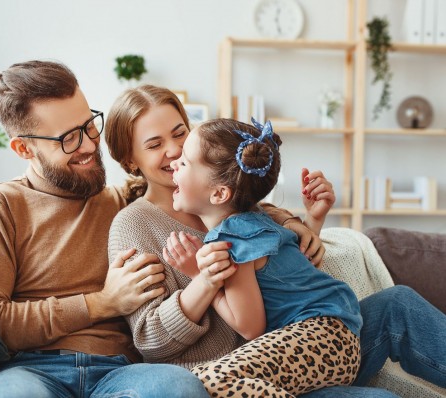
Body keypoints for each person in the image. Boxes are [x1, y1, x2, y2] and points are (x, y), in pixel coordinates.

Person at [105, 84, 446, 397]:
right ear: (130, 160)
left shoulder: (238, 206)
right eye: (155, 144)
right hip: (233, 378)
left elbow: (289, 273)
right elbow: (150, 340)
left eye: (180, 133)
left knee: (397, 303)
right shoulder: (134, 225)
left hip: (302, 348)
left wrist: (312, 220)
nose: (174, 150)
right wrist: (204, 280)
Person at [0, 60, 209, 398]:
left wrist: (294, 222)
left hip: (121, 370)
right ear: (23, 148)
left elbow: (216, 200)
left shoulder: (125, 203)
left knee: (180, 389)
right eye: (68, 139)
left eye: (89, 126)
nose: (89, 145)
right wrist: (102, 303)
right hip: (29, 370)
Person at [168, 117, 362, 396]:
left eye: (184, 162)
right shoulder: (257, 219)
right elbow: (292, 274)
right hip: (336, 335)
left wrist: (199, 275)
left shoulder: (234, 236)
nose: (175, 162)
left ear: (220, 193)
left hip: (323, 337)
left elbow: (250, 327)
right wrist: (312, 221)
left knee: (206, 382)